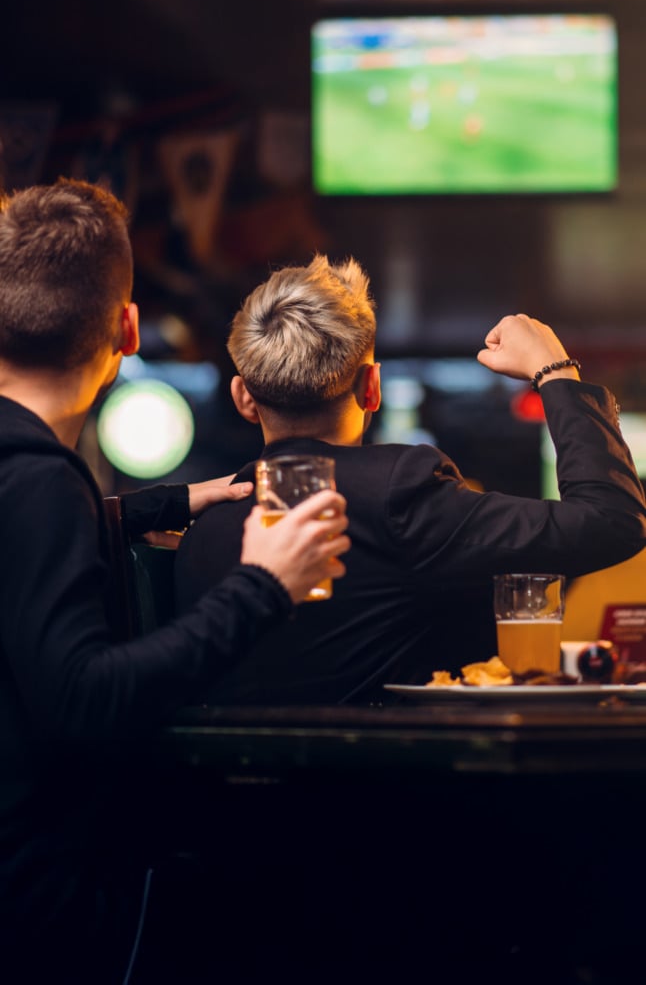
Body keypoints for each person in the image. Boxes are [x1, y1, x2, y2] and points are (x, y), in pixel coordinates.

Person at [0, 181, 350, 984]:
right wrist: (263, 583)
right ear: (127, 329)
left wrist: (154, 506)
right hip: (34, 912)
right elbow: (86, 701)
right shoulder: (38, 478)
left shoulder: (21, 469)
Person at [175, 253, 646, 705]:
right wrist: (555, 371)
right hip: (392, 761)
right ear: (372, 388)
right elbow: (611, 521)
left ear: (243, 397)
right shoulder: (400, 492)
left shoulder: (201, 531)